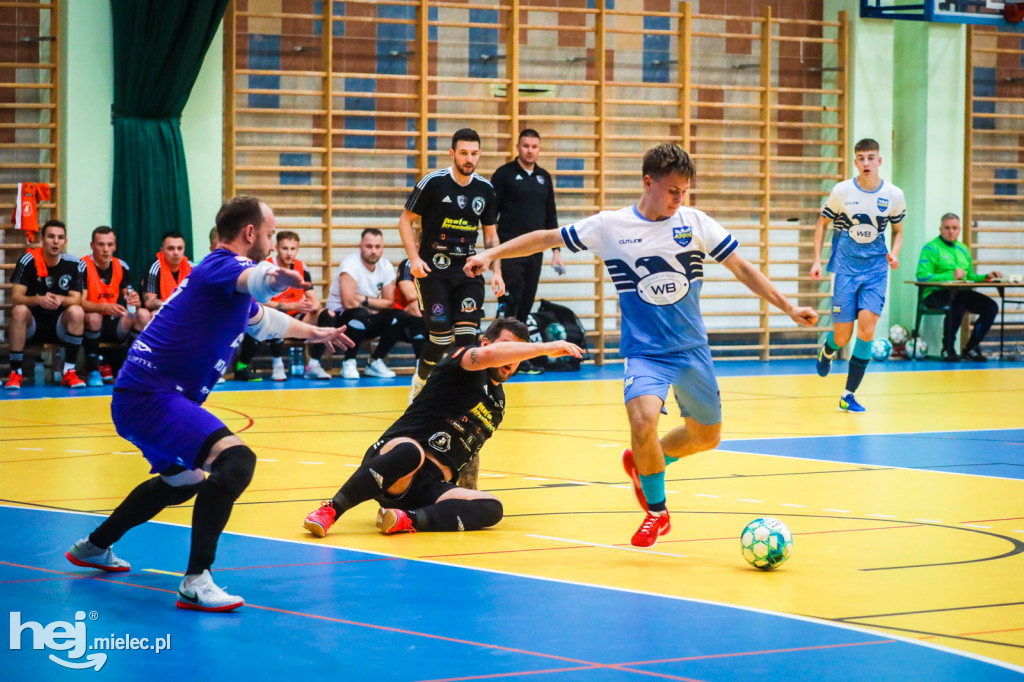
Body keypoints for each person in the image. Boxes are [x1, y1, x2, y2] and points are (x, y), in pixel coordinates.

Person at [465, 143, 818, 548]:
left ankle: (648, 461)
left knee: (707, 437)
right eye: (673, 190)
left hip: (691, 351)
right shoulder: (610, 226)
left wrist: (789, 307)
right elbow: (543, 238)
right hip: (645, 353)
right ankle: (656, 511)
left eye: (685, 191)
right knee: (642, 420)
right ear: (648, 183)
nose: (679, 199)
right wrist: (491, 252)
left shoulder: (695, 222)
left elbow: (743, 268)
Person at [64, 196, 353, 611]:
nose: (272, 243)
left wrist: (316, 333)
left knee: (183, 482)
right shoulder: (221, 264)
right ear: (250, 233)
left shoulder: (225, 285)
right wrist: (279, 277)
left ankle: (93, 546)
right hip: (152, 396)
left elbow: (265, 319)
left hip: (143, 396)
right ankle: (197, 579)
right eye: (270, 235)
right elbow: (260, 279)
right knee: (236, 461)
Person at [302, 317, 582, 537]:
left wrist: (466, 495)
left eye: (519, 354)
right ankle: (331, 511)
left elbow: (469, 452)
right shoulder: (463, 361)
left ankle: (406, 520)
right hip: (395, 462)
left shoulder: (497, 404)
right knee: (411, 454)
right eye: (509, 348)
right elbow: (487, 356)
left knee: (491, 508)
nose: (512, 359)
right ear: (486, 344)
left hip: (428, 488)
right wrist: (545, 348)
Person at [398, 128, 504, 402]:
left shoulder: (486, 189)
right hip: (433, 273)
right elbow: (404, 221)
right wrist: (414, 259)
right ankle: (421, 380)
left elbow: (491, 235)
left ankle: (461, 395)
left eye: (474, 153)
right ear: (452, 154)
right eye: (464, 153)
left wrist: (497, 271)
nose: (469, 159)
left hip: (468, 272)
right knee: (441, 339)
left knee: (468, 338)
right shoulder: (433, 183)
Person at [809, 138, 906, 413]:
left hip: (875, 270)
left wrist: (895, 254)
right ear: (855, 161)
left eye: (871, 157)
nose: (866, 163)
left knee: (867, 329)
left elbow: (898, 232)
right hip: (846, 270)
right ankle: (827, 350)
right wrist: (817, 260)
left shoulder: (894, 194)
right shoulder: (841, 192)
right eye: (861, 158)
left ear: (879, 161)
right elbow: (822, 223)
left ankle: (848, 394)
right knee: (842, 337)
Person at [490, 129, 563, 375]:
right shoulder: (504, 175)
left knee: (525, 306)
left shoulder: (544, 177)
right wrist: (494, 256)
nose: (530, 150)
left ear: (539, 149)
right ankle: (498, 356)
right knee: (509, 304)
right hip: (510, 251)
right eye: (526, 146)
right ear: (518, 147)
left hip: (536, 253)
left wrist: (556, 251)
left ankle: (519, 359)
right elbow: (490, 217)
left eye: (534, 146)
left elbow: (550, 215)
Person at [5, 219, 87, 390]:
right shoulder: (28, 261)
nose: (55, 241)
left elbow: (76, 299)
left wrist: (60, 299)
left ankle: (69, 372)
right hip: (32, 324)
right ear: (41, 240)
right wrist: (38, 299)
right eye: (51, 237)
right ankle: (16, 372)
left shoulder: (73, 263)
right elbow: (16, 297)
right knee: (19, 310)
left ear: (65, 242)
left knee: (77, 311)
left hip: (59, 325)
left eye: (60, 237)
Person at [320, 228, 408, 380]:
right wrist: (374, 305)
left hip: (366, 319)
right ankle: (349, 362)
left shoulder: (385, 266)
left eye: (377, 247)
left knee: (401, 316)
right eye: (369, 246)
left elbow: (389, 303)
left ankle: (375, 361)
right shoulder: (350, 265)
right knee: (360, 313)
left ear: (382, 248)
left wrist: (364, 299)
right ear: (360, 246)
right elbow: (348, 303)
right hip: (341, 323)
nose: (373, 251)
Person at [235, 230, 320, 381]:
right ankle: (276, 364)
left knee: (328, 315)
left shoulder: (302, 267)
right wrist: (292, 305)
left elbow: (313, 298)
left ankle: (314, 365)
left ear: (298, 249)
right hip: (270, 312)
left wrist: (311, 307)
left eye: (293, 249)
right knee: (268, 318)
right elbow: (258, 301)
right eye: (285, 248)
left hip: (296, 314)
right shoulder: (266, 266)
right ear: (277, 247)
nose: (289, 253)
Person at [916, 213, 1001, 362]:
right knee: (958, 303)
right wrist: (950, 275)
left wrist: (987, 276)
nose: (951, 231)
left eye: (954, 228)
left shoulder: (963, 249)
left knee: (991, 306)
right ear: (940, 229)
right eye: (947, 228)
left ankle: (971, 348)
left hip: (960, 292)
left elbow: (969, 277)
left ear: (959, 229)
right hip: (935, 294)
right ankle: (947, 348)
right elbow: (922, 276)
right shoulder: (930, 248)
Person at [79, 226, 152, 387]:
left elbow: (129, 297)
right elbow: (80, 302)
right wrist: (103, 307)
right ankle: (92, 370)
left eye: (110, 245)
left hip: (115, 324)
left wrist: (135, 301)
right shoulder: (82, 266)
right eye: (101, 245)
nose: (106, 250)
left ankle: (130, 368)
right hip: (90, 323)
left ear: (115, 246)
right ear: (92, 246)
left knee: (143, 315)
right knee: (93, 317)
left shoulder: (122, 266)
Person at [142, 231, 191, 311]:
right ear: (162, 250)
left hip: (186, 311)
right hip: (163, 311)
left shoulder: (191, 268)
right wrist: (173, 304)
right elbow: (149, 302)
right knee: (151, 314)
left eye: (180, 248)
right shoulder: (154, 268)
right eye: (171, 248)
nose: (176, 252)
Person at [394, 257, 427, 358]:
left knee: (467, 310)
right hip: (403, 319)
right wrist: (439, 293)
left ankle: (466, 367)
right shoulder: (409, 264)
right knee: (418, 306)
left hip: (436, 316)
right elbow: (410, 295)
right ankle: (420, 364)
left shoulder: (444, 263)